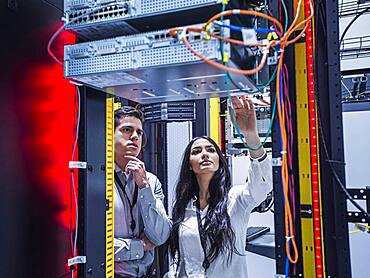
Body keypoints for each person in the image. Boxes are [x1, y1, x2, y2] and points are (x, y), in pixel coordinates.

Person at [168, 96, 272, 277]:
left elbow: (263, 184)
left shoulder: (236, 199)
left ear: (219, 161)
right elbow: (180, 259)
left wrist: (251, 136)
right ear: (189, 165)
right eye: (196, 151)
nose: (204, 154)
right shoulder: (183, 206)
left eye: (210, 150)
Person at [113, 106, 171, 278]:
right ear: (109, 134)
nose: (135, 137)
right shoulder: (96, 180)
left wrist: (144, 187)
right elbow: (94, 244)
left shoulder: (151, 181)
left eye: (139, 132)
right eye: (126, 130)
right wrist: (140, 246)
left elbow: (160, 236)